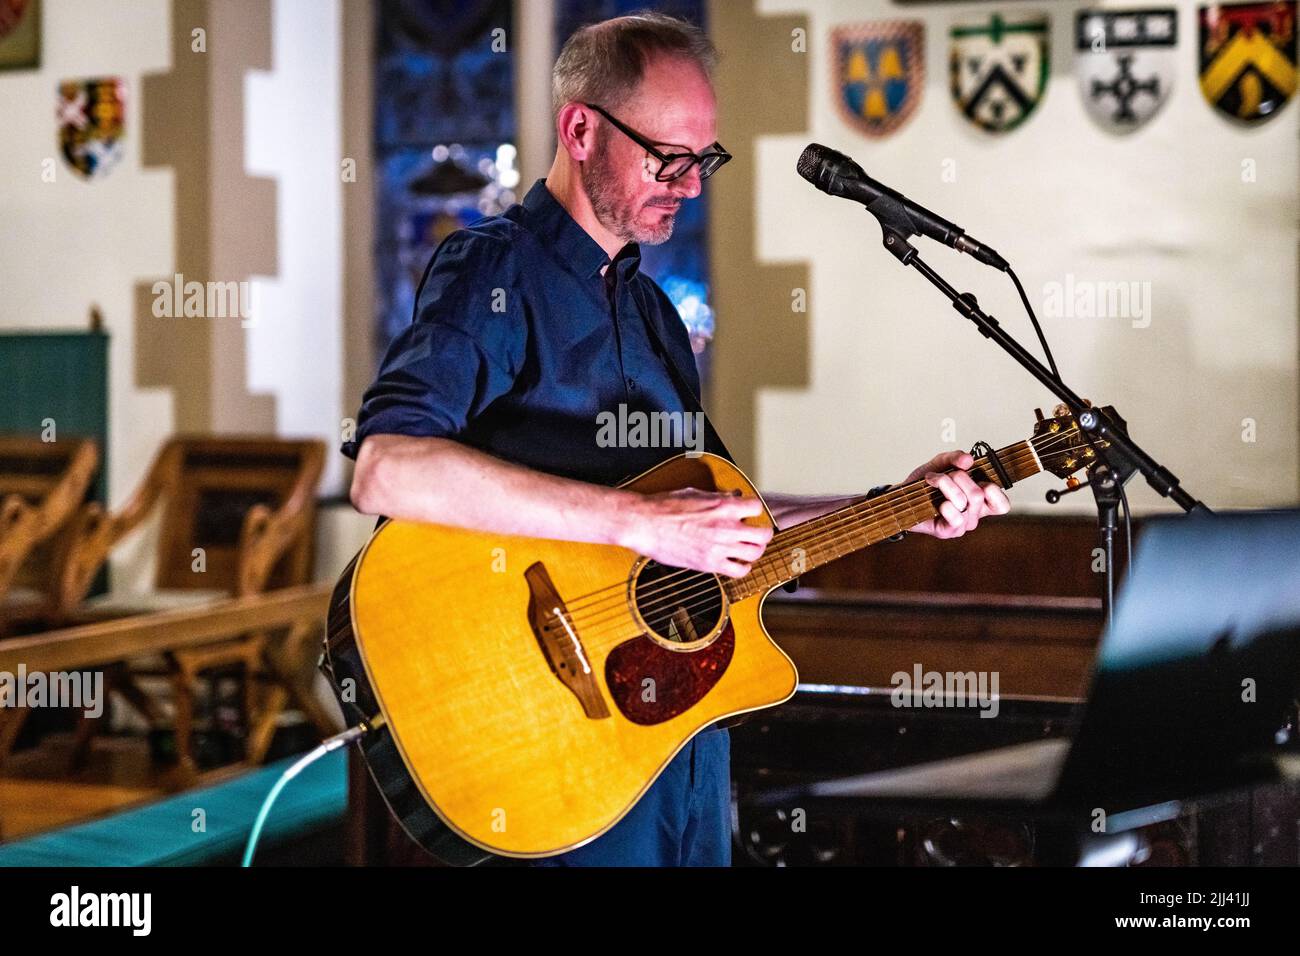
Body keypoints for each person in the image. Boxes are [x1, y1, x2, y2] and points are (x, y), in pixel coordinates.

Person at [343, 12, 1010, 867]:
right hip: (555, 743)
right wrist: (640, 526)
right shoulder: (492, 271)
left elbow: (721, 522)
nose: (692, 187)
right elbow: (387, 469)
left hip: (678, 743)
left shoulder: (657, 315)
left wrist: (895, 506)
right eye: (669, 158)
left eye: (706, 161)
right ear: (580, 129)